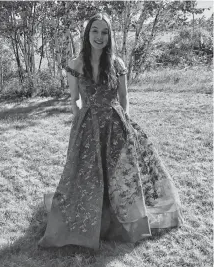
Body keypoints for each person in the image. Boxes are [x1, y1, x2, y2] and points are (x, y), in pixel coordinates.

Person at [38, 13, 183, 250]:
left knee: (118, 171)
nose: (99, 36)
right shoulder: (76, 64)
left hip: (116, 123)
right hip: (88, 125)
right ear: (87, 34)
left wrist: (124, 121)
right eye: (94, 31)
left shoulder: (117, 63)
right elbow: (74, 100)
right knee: (88, 172)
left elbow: (124, 97)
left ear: (110, 36)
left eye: (104, 32)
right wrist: (80, 122)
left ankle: (118, 216)